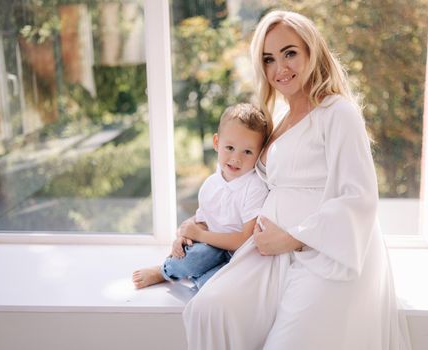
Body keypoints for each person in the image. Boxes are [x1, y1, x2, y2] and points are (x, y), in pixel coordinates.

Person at [182, 10, 411, 350]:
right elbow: (247, 186)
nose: (280, 68)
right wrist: (196, 224)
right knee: (208, 310)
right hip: (268, 250)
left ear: (311, 51)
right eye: (269, 59)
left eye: (290, 53)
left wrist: (293, 239)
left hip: (325, 252)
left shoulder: (337, 113)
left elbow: (358, 197)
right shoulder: (279, 119)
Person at [132, 103, 270, 290]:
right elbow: (203, 220)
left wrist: (201, 234)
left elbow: (243, 240)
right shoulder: (211, 185)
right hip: (209, 247)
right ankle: (165, 271)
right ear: (216, 143)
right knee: (197, 256)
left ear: (260, 153)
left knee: (214, 286)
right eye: (229, 147)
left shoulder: (254, 186)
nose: (236, 159)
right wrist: (186, 235)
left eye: (247, 151)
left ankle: (196, 277)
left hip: (238, 255)